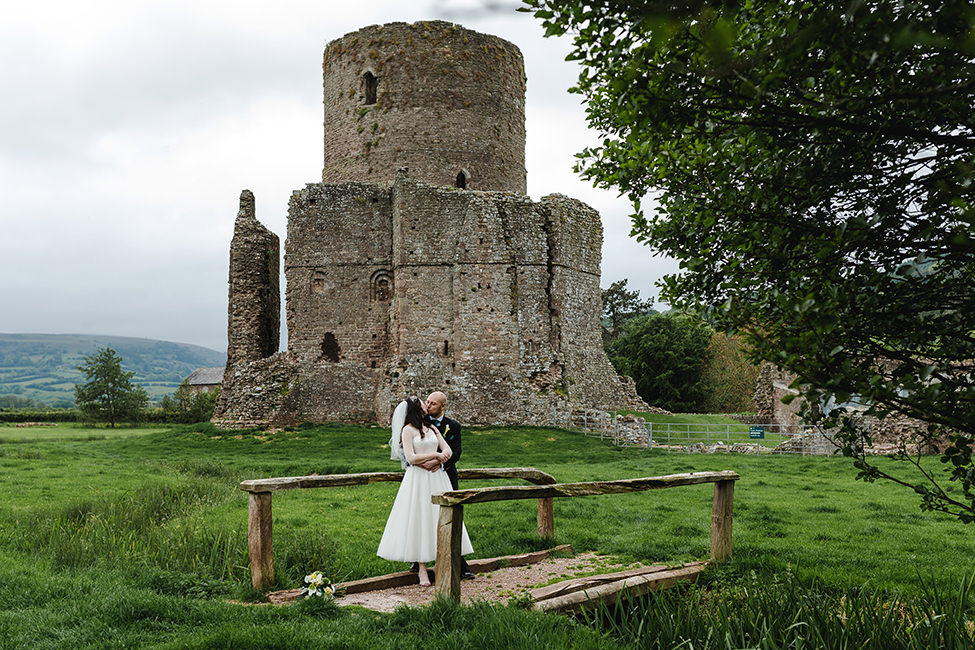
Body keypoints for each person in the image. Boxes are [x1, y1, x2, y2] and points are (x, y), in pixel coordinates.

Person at [377, 396, 473, 586]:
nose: (426, 404)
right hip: (418, 480)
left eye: (429, 402)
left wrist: (436, 461)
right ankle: (421, 568)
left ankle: (443, 562)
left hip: (437, 478)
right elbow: (411, 458)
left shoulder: (432, 428)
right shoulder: (407, 430)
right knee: (420, 518)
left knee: (439, 517)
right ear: (416, 408)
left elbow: (449, 451)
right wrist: (434, 455)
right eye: (423, 402)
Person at [422, 391, 476, 580]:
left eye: (433, 404)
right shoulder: (418, 424)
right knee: (423, 515)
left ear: (443, 406)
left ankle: (460, 563)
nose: (428, 406)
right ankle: (418, 560)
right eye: (427, 402)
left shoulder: (453, 426)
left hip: (445, 476)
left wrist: (441, 463)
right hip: (424, 476)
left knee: (451, 516)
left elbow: (456, 452)